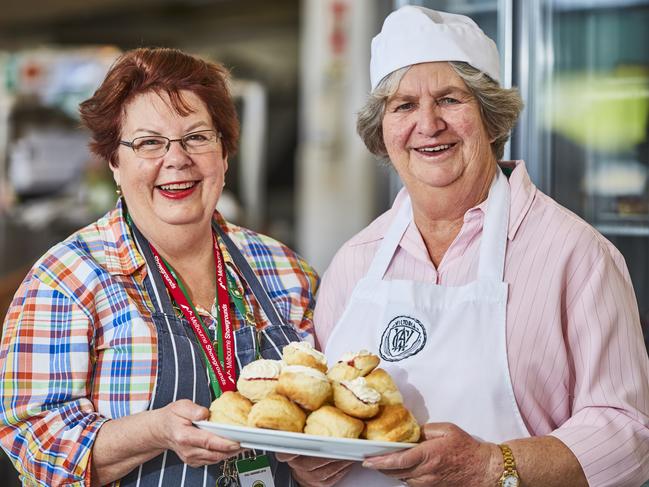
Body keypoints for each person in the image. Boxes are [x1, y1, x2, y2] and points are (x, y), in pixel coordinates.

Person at [278, 6, 649, 487]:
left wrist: (493, 466)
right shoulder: (356, 261)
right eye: (403, 106)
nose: (428, 124)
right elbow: (325, 415)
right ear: (383, 130)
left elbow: (629, 435)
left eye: (450, 100)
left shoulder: (577, 256)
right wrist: (313, 463)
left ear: (492, 118)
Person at [0, 47, 318, 486]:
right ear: (114, 161)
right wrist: (153, 432)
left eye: (197, 137)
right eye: (149, 142)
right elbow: (35, 443)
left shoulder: (285, 270)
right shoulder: (66, 280)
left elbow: (328, 407)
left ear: (224, 154)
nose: (177, 158)